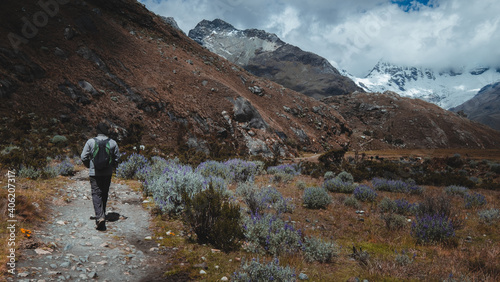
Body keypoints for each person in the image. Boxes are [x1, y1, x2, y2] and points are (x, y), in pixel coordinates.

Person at [81, 123, 120, 231]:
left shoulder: (91, 142)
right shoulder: (113, 143)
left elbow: (83, 156)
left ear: (98, 131)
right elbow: (117, 158)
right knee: (104, 193)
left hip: (95, 173)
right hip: (107, 173)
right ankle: (102, 214)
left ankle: (100, 216)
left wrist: (89, 166)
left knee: (96, 193)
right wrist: (112, 167)